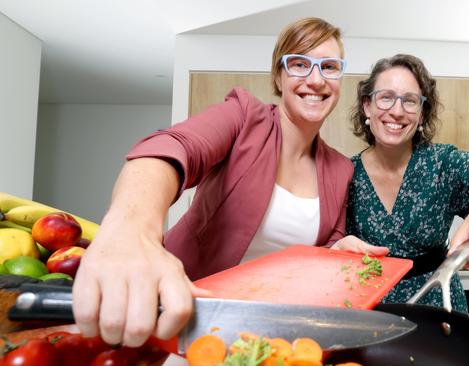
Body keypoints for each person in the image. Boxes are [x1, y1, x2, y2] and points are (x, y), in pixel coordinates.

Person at [73, 17, 366, 347]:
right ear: (278, 76)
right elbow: (172, 147)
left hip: (267, 336)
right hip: (184, 321)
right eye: (299, 64)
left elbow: (321, 249)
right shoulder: (243, 117)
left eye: (329, 66)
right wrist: (129, 228)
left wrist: (336, 251)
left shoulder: (340, 169)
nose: (316, 79)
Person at [339, 54, 469, 311]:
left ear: (422, 114)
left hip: (439, 309)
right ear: (367, 106)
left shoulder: (443, 164)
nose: (397, 111)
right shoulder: (344, 173)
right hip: (369, 312)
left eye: (410, 101)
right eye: (386, 97)